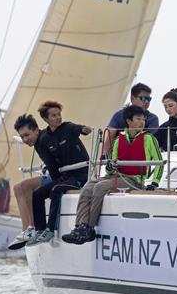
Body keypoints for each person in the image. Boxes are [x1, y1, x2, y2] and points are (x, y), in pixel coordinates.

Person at [62, 105, 163, 245]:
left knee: (100, 187)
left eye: (143, 119)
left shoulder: (149, 139)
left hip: (134, 180)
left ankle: (89, 228)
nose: (142, 122)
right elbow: (111, 169)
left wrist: (155, 183)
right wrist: (109, 166)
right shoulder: (118, 140)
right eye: (138, 119)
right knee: (87, 187)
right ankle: (80, 226)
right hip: (117, 177)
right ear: (129, 121)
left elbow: (159, 162)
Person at [27, 101, 92, 245]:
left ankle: (51, 230)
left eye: (59, 114)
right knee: (37, 194)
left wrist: (85, 129)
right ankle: (40, 230)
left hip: (81, 175)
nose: (58, 118)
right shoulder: (44, 138)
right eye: (54, 115)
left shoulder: (68, 127)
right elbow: (51, 164)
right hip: (65, 177)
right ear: (45, 119)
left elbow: (80, 128)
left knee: (56, 190)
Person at [9, 115, 51, 246]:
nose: (25, 139)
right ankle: (25, 229)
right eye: (22, 137)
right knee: (17, 188)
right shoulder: (38, 142)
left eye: (27, 135)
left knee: (24, 186)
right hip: (50, 175)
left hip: (58, 177)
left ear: (36, 130)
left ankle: (31, 228)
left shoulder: (44, 139)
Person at [104, 82, 160, 155]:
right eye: (143, 98)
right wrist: (110, 160)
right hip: (118, 160)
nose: (147, 102)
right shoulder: (118, 115)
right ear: (132, 98)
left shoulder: (153, 119)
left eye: (149, 99)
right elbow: (109, 140)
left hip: (142, 160)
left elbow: (148, 141)